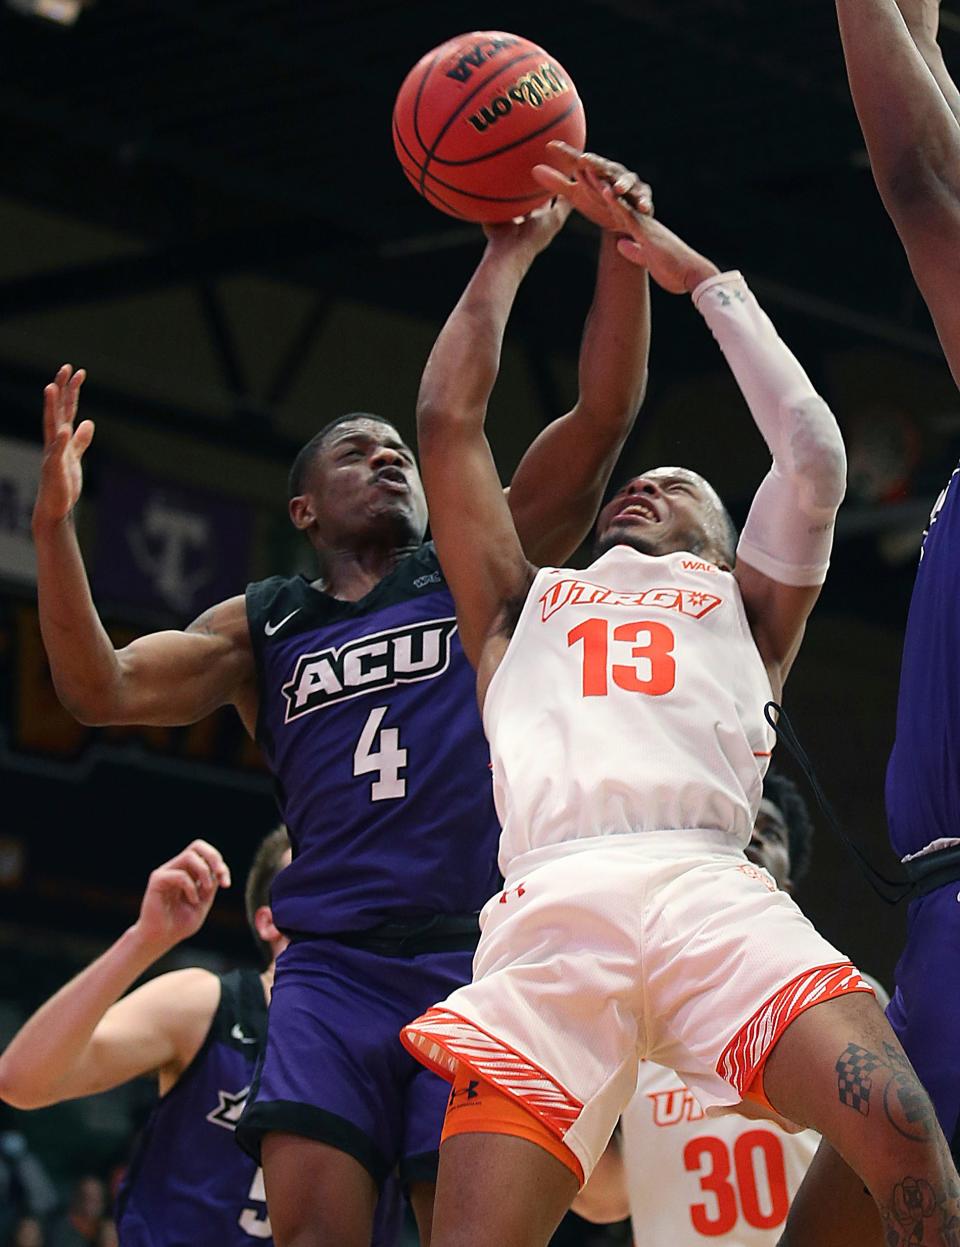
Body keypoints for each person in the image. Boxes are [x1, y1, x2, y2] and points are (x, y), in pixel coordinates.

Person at [31, 164, 652, 1247]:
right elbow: (100, 686)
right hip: (328, 964)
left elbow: (601, 420)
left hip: (478, 946)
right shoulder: (260, 623)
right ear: (305, 505)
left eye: (400, 448)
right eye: (360, 449)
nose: (392, 455)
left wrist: (619, 252)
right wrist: (52, 532)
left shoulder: (476, 565)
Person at [398, 145, 960, 1247]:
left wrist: (696, 277)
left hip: (713, 890)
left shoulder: (747, 606)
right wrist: (506, 256)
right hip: (553, 908)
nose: (646, 481)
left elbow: (812, 457)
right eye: (637, 484)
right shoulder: (518, 602)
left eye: (683, 484)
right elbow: (447, 425)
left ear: (724, 536)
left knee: (910, 1145)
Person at [574, 771, 891, 1246]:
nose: (755, 839)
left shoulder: (852, 997)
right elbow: (611, 1199)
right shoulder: (631, 1012)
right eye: (741, 829)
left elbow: (889, 1162)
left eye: (771, 830)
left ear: (791, 868)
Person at [0, 830, 294, 1246]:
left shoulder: (381, 1037)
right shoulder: (205, 1003)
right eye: (309, 869)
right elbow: (20, 1080)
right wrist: (145, 939)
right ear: (269, 921)